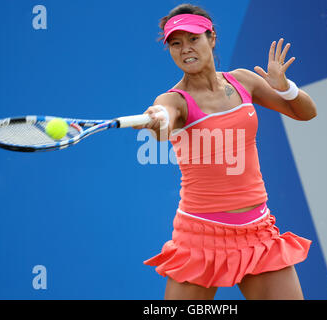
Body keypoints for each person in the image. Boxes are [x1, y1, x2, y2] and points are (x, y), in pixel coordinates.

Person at [135, 3, 317, 300]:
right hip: (200, 238)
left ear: (212, 38)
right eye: (176, 44)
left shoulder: (243, 81)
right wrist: (158, 120)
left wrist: (286, 88)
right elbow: (163, 122)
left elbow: (306, 113)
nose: (185, 49)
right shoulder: (174, 100)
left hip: (257, 232)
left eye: (193, 39)